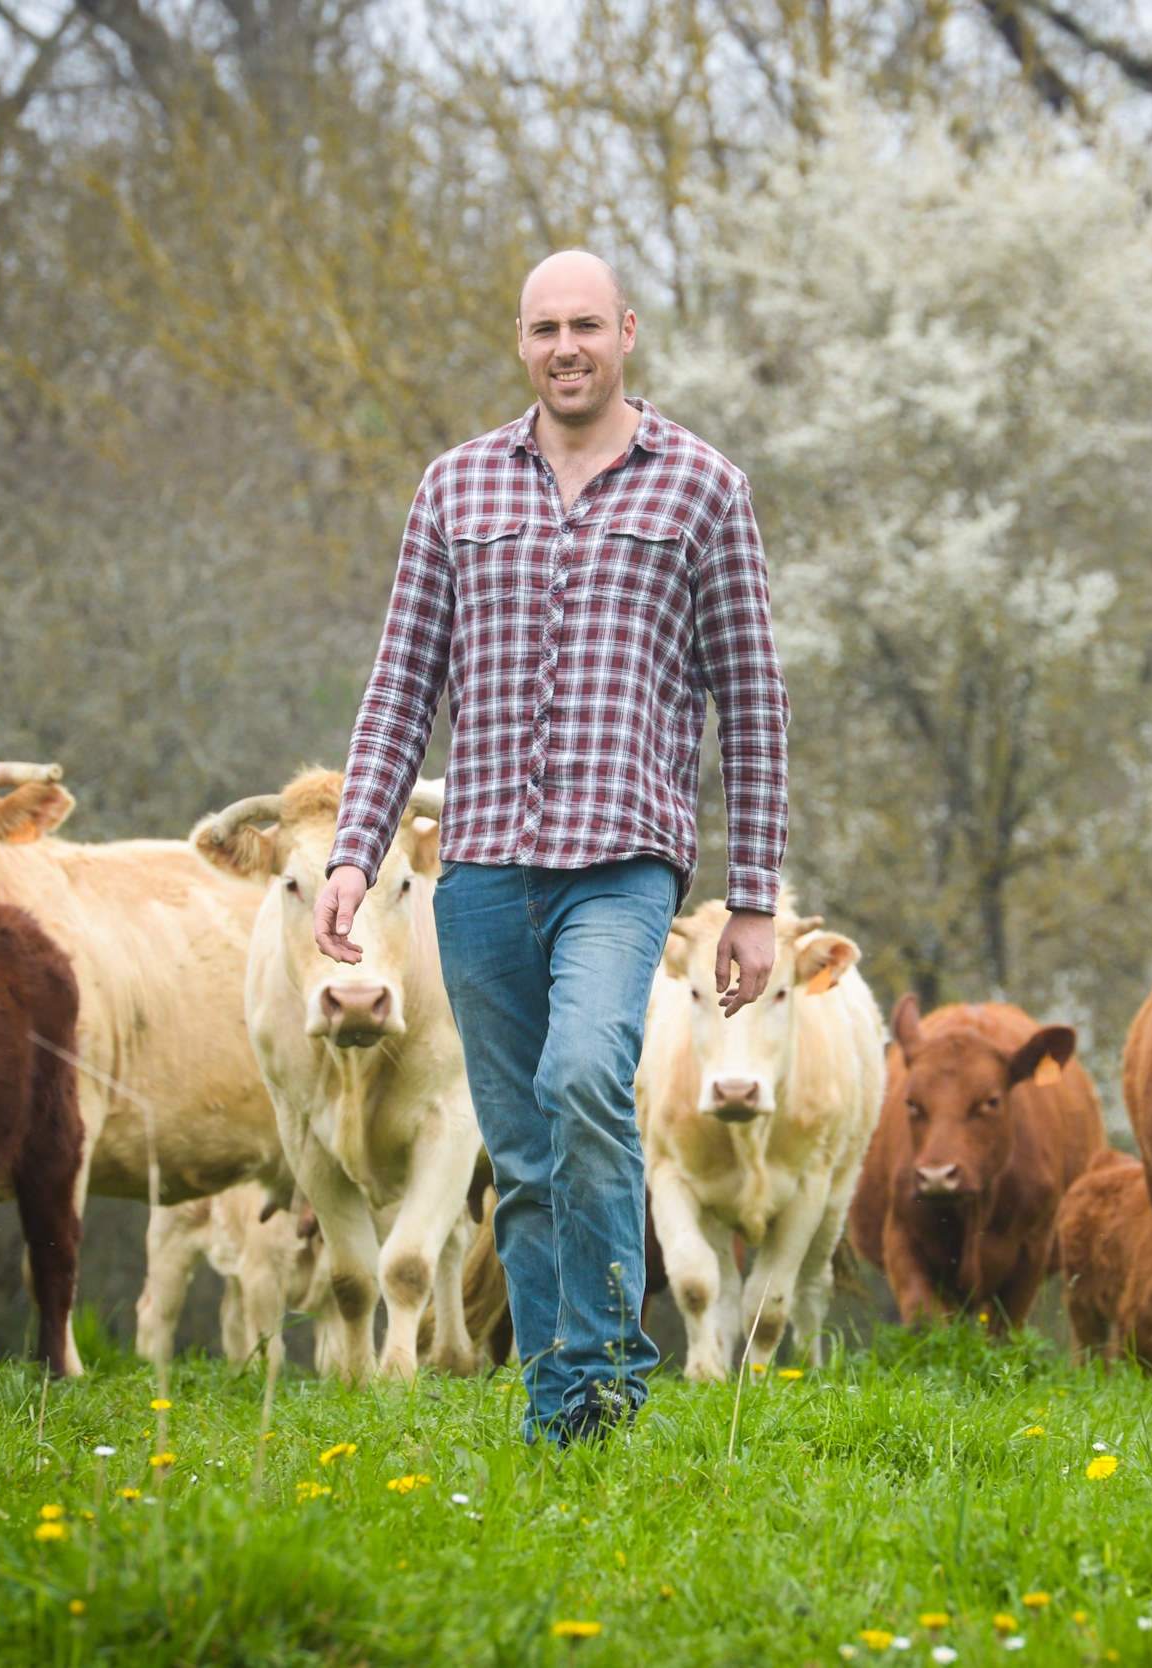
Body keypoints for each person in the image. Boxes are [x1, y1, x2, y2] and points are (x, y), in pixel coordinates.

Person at [314, 250, 788, 1444]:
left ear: (625, 332)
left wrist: (753, 896)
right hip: (479, 871)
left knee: (584, 1076)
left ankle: (610, 1353)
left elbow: (754, 700)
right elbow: (397, 690)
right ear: (521, 343)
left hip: (623, 864)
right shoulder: (456, 487)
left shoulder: (701, 489)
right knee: (519, 1152)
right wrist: (351, 856)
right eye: (543, 329)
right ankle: (563, 1400)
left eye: (586, 324)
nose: (565, 346)